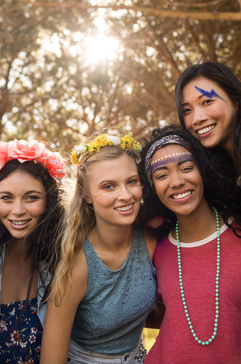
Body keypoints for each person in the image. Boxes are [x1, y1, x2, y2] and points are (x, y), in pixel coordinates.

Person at [138, 125, 241, 364]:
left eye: (186, 168)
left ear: (203, 170)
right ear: (152, 187)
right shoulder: (156, 248)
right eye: (161, 175)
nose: (177, 181)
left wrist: (238, 314)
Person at [40, 134, 157, 364]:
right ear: (87, 196)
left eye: (131, 181)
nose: (125, 195)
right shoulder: (78, 263)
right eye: (108, 186)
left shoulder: (151, 242)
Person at [175, 61, 241, 259]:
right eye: (187, 110)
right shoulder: (228, 169)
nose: (197, 118)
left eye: (207, 102)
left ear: (235, 100)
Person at [0, 139, 66, 364]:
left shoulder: (59, 259)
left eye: (31, 198)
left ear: (49, 202)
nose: (17, 211)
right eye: (7, 198)